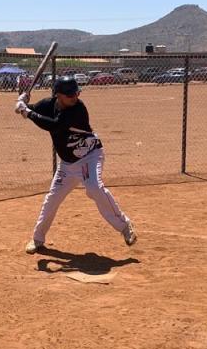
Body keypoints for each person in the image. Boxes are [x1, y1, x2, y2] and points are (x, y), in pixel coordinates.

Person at [14, 75, 135, 254]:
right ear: (58, 95)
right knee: (52, 199)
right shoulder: (48, 104)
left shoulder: (78, 109)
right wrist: (22, 104)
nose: (74, 97)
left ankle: (125, 227)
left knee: (93, 187)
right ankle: (37, 239)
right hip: (68, 164)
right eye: (69, 94)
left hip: (89, 157)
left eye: (76, 93)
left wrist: (28, 112)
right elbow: (32, 112)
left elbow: (54, 125)